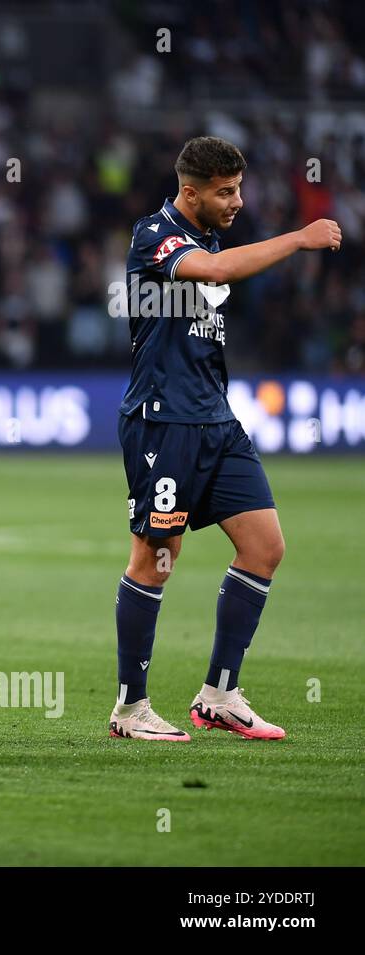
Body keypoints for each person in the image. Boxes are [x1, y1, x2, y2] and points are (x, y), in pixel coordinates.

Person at [109, 135, 340, 742]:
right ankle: (131, 708)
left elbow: (216, 266)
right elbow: (211, 271)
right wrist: (297, 238)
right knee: (157, 558)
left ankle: (219, 693)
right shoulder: (155, 236)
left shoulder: (209, 236)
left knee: (264, 546)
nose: (237, 201)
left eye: (238, 189)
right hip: (164, 421)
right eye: (225, 192)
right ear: (190, 192)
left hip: (217, 419)